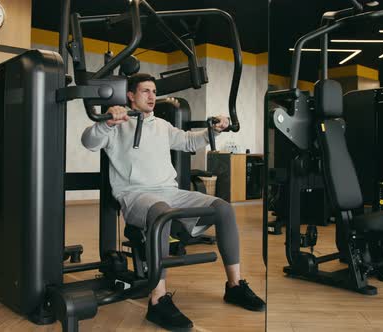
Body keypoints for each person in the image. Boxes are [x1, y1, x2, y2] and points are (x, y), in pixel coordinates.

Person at [81, 73, 265, 330]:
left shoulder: (162, 125)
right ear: (131, 95)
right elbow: (88, 141)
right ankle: (157, 300)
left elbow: (189, 141)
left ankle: (234, 286)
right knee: (161, 212)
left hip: (170, 191)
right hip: (135, 195)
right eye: (145, 91)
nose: (152, 96)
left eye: (154, 91)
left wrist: (213, 130)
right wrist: (107, 123)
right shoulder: (118, 123)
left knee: (223, 209)